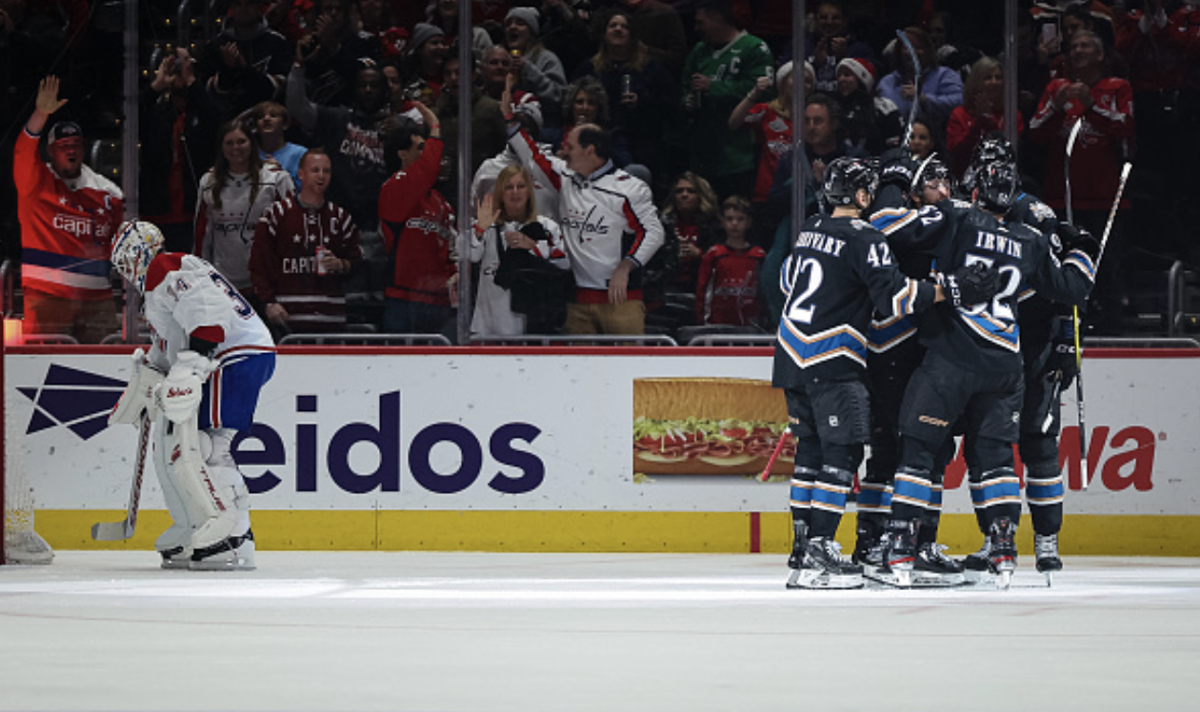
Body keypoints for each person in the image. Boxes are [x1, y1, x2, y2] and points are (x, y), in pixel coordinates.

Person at [868, 149, 1098, 589]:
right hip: (1005, 366)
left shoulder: (956, 215)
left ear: (973, 191)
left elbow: (886, 227)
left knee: (918, 449)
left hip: (951, 360)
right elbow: (1071, 289)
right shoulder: (1030, 240)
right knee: (996, 460)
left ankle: (900, 548)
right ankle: (1004, 550)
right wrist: (1082, 248)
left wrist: (896, 188)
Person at [773, 156, 970, 590]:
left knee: (810, 454)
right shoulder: (867, 237)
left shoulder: (810, 228)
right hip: (832, 355)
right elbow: (895, 299)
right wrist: (948, 289)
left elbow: (787, 281)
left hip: (789, 356)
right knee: (841, 455)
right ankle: (823, 547)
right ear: (863, 196)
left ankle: (802, 550)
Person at [109, 219, 274, 570]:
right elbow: (168, 346)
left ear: (138, 253)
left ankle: (234, 537)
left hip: (232, 356)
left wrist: (193, 363)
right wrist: (146, 382)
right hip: (233, 355)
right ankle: (194, 525)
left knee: (207, 446)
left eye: (124, 260)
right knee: (179, 444)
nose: (125, 272)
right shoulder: (158, 289)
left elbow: (208, 315)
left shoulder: (165, 267)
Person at [503, 80, 664, 336]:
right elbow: (532, 156)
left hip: (622, 301)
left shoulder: (630, 188)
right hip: (578, 302)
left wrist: (627, 265)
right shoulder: (565, 177)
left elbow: (654, 232)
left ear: (590, 151)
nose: (562, 151)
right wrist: (510, 120)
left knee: (625, 371)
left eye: (569, 147)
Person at [1028, 29, 1134, 334]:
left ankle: (1112, 323)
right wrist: (1056, 108)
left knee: (1108, 263)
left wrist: (1091, 106)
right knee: (1062, 261)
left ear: (1101, 54)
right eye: (1073, 46)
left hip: (1104, 194)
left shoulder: (1117, 88)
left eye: (1085, 45)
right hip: (1063, 195)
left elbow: (1125, 127)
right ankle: (1064, 323)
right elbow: (1035, 133)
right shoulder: (1056, 89)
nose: (1078, 51)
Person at [14, 75, 123, 343]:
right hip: (46, 297)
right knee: (42, 371)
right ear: (50, 152)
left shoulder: (108, 192)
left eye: (75, 145)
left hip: (97, 299)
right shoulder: (35, 183)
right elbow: (22, 150)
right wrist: (40, 114)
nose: (70, 151)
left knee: (106, 370)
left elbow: (123, 242)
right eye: (63, 147)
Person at [250, 148, 362, 338]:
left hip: (331, 320)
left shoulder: (340, 217)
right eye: (315, 170)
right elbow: (258, 264)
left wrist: (341, 264)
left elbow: (357, 262)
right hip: (286, 321)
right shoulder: (276, 214)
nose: (321, 176)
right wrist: (268, 302)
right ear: (300, 174)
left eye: (326, 171)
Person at [377, 105, 458, 338]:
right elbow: (428, 169)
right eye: (421, 148)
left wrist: (454, 275)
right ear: (403, 154)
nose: (430, 154)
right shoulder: (394, 188)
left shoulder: (441, 202)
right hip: (404, 300)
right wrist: (434, 127)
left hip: (439, 303)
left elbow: (451, 251)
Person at [680, 0, 773, 201]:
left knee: (735, 210)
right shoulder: (699, 50)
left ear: (717, 18)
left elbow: (763, 90)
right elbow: (685, 86)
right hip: (704, 149)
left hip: (738, 151)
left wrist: (714, 88)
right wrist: (687, 101)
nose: (696, 28)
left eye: (700, 22)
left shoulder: (754, 48)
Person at [194, 119, 294, 303]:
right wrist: (202, 277)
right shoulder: (208, 181)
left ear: (252, 143)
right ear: (221, 147)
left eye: (241, 142)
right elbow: (202, 235)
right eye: (229, 143)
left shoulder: (277, 178)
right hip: (222, 282)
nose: (235, 148)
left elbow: (290, 230)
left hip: (267, 282)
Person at [469, 164, 570, 337]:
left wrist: (533, 247)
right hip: (489, 326)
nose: (515, 192)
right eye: (509, 187)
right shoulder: (486, 226)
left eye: (521, 186)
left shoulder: (546, 226)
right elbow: (469, 255)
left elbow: (564, 265)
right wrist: (479, 230)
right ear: (501, 192)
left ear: (529, 191)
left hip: (535, 324)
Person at [139, 48, 220, 254]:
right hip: (157, 207)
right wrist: (157, 85)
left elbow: (214, 121)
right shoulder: (159, 112)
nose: (179, 73)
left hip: (191, 209)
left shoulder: (203, 108)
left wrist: (191, 78)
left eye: (183, 67)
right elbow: (132, 117)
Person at [728, 60, 794, 237]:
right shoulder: (767, 111)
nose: (803, 83)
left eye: (809, 80)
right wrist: (754, 93)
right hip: (766, 194)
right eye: (795, 78)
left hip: (799, 195)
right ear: (781, 83)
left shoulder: (813, 117)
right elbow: (734, 122)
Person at [196, 0, 292, 121]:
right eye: (238, 4)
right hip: (225, 125)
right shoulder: (215, 46)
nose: (244, 9)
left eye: (249, 3)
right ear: (231, 8)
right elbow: (207, 94)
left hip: (266, 121)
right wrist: (227, 71)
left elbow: (278, 89)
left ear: (259, 8)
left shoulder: (277, 43)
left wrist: (244, 69)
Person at [877, 27, 964, 138]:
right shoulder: (886, 83)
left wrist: (923, 99)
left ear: (928, 51)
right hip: (895, 145)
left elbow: (960, 102)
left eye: (919, 48)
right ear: (899, 52)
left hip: (937, 143)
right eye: (907, 48)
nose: (913, 53)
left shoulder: (945, 75)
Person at [946, 56, 1023, 180]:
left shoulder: (1011, 115)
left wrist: (988, 118)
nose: (994, 82)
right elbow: (958, 152)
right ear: (976, 81)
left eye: (998, 78)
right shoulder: (959, 114)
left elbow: (1007, 150)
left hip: (1003, 181)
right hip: (965, 178)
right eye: (988, 78)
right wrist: (980, 121)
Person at [695, 196, 765, 327]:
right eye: (729, 219)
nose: (734, 224)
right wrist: (702, 319)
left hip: (751, 325)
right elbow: (702, 290)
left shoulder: (758, 255)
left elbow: (764, 290)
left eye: (740, 219)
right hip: (717, 325)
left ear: (749, 222)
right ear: (722, 222)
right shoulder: (714, 254)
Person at [503, 7, 567, 121]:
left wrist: (528, 70)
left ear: (531, 31)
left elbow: (558, 97)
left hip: (544, 124)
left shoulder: (547, 59)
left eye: (520, 23)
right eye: (508, 24)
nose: (512, 27)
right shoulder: (501, 59)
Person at [834, 56, 902, 157]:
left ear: (863, 80)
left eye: (847, 75)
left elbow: (894, 149)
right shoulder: (834, 108)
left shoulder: (885, 107)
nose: (841, 79)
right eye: (839, 75)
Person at [251, 101, 308, 190]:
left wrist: (280, 173)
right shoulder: (249, 153)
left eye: (273, 115)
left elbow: (306, 191)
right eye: (260, 117)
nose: (266, 119)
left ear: (285, 124)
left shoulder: (301, 154)